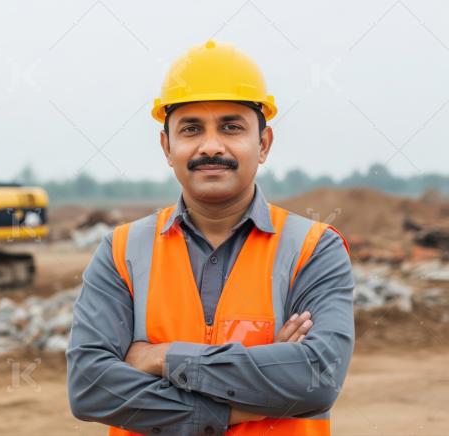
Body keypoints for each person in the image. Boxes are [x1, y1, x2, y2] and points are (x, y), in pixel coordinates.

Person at [66, 40, 354, 436]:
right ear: (168, 147)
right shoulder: (121, 251)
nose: (212, 146)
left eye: (232, 127)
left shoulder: (314, 249)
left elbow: (318, 379)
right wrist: (252, 389)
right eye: (191, 129)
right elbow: (90, 388)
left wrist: (162, 357)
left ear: (264, 143)